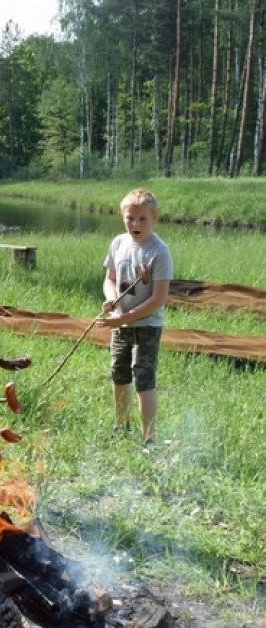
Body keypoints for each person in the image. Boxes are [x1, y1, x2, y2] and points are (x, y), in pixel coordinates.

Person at [95, 188, 173, 445]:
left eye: (142, 219)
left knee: (143, 380)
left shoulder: (159, 252)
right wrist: (110, 300)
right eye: (130, 218)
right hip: (121, 322)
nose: (135, 224)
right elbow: (110, 280)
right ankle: (121, 424)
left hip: (146, 326)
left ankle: (148, 436)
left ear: (155, 218)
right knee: (119, 374)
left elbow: (158, 299)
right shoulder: (118, 243)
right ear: (122, 216)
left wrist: (124, 318)